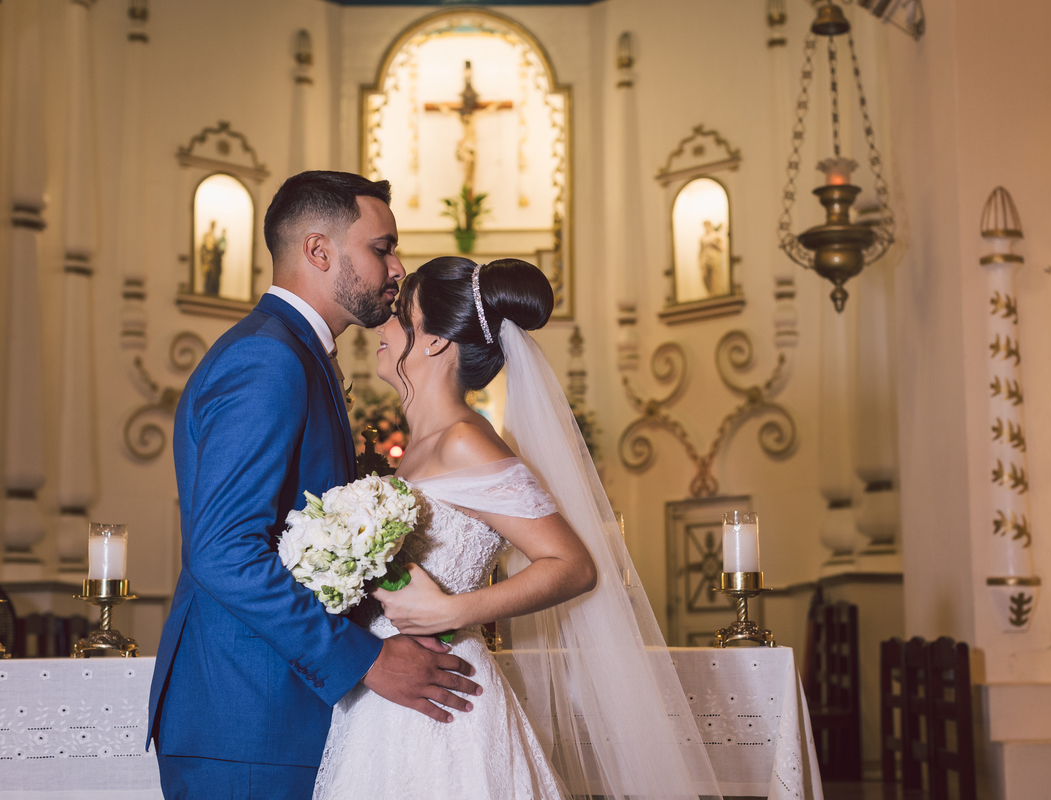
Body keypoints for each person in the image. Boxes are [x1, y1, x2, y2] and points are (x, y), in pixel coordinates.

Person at [313, 256, 723, 799]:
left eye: (400, 316)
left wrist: (453, 610)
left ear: (434, 342)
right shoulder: (418, 452)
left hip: (444, 698)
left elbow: (573, 566)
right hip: (391, 691)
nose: (383, 327)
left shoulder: (465, 441)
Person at [147, 172, 483, 800]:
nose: (397, 266)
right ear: (318, 251)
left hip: (274, 713)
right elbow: (223, 551)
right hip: (248, 722)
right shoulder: (267, 359)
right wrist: (367, 660)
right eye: (381, 248)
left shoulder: (296, 352)